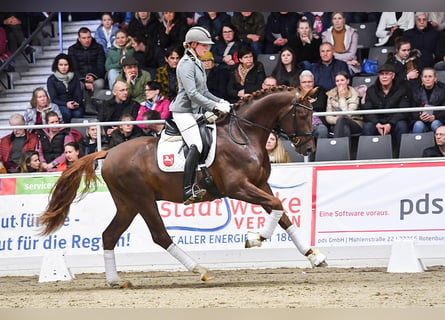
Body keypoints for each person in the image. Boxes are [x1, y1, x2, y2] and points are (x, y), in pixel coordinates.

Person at [169, 26, 231, 205]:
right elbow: (192, 94)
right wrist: (214, 106)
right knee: (196, 143)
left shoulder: (198, 61)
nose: (207, 49)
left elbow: (204, 91)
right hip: (183, 112)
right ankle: (187, 190)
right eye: (204, 46)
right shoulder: (185, 63)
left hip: (195, 111)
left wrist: (222, 101)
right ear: (193, 44)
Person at [361, 64, 411, 152]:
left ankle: (403, 155)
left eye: (387, 74)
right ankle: (368, 156)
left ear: (393, 76)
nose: (384, 77)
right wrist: (377, 123)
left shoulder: (402, 89)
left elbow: (403, 111)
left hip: (394, 121)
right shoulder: (371, 90)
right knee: (368, 127)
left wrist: (390, 123)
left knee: (402, 125)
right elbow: (368, 110)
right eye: (382, 74)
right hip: (377, 121)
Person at [46, 53, 83, 123]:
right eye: (61, 65)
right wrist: (66, 104)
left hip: (73, 104)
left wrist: (75, 103)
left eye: (66, 65)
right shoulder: (51, 79)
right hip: (59, 104)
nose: (63, 67)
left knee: (77, 113)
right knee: (66, 112)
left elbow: (78, 94)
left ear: (69, 65)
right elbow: (53, 98)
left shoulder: (74, 77)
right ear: (57, 66)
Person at [68, 27, 106, 93]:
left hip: (96, 77)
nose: (87, 40)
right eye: (84, 38)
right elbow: (74, 68)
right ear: (79, 39)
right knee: (79, 85)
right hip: (80, 78)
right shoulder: (72, 49)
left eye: (89, 37)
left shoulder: (99, 47)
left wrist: (93, 77)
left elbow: (101, 66)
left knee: (100, 84)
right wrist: (83, 79)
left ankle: (98, 102)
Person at [325, 71, 363, 138]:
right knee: (345, 129)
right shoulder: (331, 94)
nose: (340, 83)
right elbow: (328, 117)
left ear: (347, 81)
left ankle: (336, 146)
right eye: (337, 81)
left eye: (342, 80)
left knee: (343, 122)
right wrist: (338, 120)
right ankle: (345, 148)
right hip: (336, 124)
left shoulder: (354, 93)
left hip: (354, 122)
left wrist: (342, 97)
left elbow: (348, 114)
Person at [411, 68, 445, 133]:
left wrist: (435, 117)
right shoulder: (415, 90)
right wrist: (420, 117)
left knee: (435, 124)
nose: (427, 79)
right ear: (422, 79)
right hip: (420, 119)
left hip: (438, 119)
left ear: (435, 78)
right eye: (425, 77)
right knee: (418, 125)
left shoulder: (443, 90)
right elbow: (412, 109)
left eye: (430, 76)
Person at [298, 70, 329, 139]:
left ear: (313, 82)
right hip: (300, 124)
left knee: (322, 130)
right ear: (300, 84)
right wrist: (311, 102)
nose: (307, 84)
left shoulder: (320, 91)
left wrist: (304, 103)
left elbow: (320, 105)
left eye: (309, 82)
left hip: (318, 123)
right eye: (304, 82)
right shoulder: (296, 93)